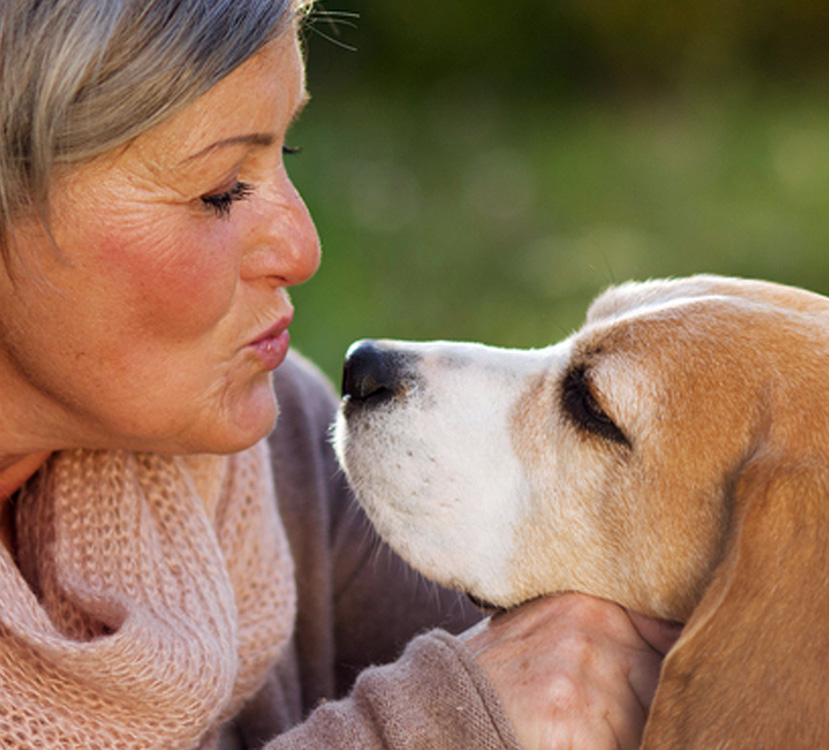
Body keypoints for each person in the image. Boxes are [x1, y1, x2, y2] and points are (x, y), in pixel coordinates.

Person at [0, 1, 680, 748]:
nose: (303, 248)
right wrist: (438, 724)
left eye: (283, 157)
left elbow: (605, 662)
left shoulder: (277, 450)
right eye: (220, 189)